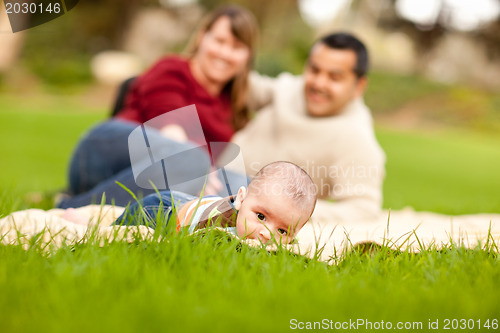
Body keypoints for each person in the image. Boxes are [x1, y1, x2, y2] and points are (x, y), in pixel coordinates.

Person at [58, 5, 258, 209]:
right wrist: (198, 170)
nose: (225, 53)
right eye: (219, 41)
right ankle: (72, 208)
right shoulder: (172, 69)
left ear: (247, 56)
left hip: (172, 176)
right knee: (192, 160)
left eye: (236, 47)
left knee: (251, 188)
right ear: (201, 37)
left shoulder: (232, 107)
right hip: (105, 153)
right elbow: (170, 129)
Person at [219, 32, 386, 222]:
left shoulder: (356, 137)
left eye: (334, 77)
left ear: (359, 86)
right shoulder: (291, 88)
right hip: (212, 169)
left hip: (239, 202)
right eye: (314, 70)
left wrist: (282, 209)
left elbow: (363, 210)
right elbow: (245, 89)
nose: (319, 83)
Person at [63, 161, 318, 245]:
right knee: (120, 232)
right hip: (163, 210)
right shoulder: (216, 228)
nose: (266, 233)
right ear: (241, 199)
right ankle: (88, 224)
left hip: (188, 202)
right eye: (261, 217)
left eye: (283, 230)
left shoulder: (259, 234)